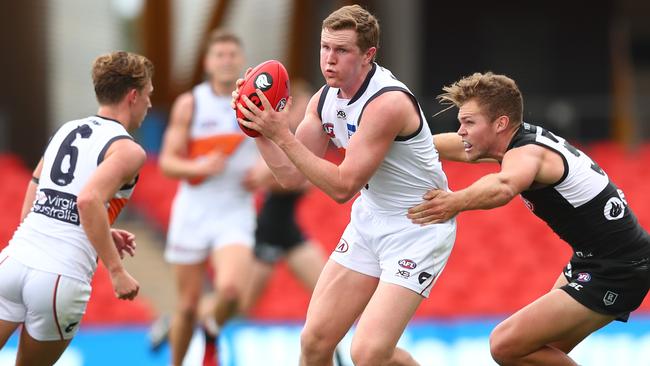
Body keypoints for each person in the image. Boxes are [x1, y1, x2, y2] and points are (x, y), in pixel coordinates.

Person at [234, 5, 456, 366]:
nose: (329, 60)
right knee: (315, 341)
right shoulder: (324, 100)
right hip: (370, 221)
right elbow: (290, 178)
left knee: (367, 353)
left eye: (342, 50)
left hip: (418, 226)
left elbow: (342, 187)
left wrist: (280, 135)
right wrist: (260, 129)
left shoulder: (387, 103)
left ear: (368, 55)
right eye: (324, 48)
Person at [407, 72, 650, 365]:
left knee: (505, 344)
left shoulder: (528, 153)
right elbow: (454, 147)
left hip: (619, 268)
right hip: (598, 261)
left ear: (500, 123)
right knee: (538, 353)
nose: (461, 131)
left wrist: (454, 201)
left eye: (469, 122)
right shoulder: (516, 142)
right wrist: (403, 144)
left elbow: (504, 185)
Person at [0, 51, 153, 365]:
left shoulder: (67, 129)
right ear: (133, 96)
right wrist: (117, 271)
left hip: (14, 260)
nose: (150, 104)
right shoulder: (129, 150)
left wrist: (99, 232)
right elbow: (88, 199)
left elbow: (37, 187)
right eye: (149, 95)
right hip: (60, 277)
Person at [159, 29, 257, 366]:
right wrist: (197, 165)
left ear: (242, 60)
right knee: (186, 306)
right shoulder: (191, 103)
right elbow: (168, 162)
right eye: (220, 55)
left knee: (231, 291)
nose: (227, 60)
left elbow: (279, 155)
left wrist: (265, 174)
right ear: (207, 62)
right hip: (193, 209)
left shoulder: (256, 101)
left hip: (235, 208)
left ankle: (212, 329)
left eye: (232, 54)